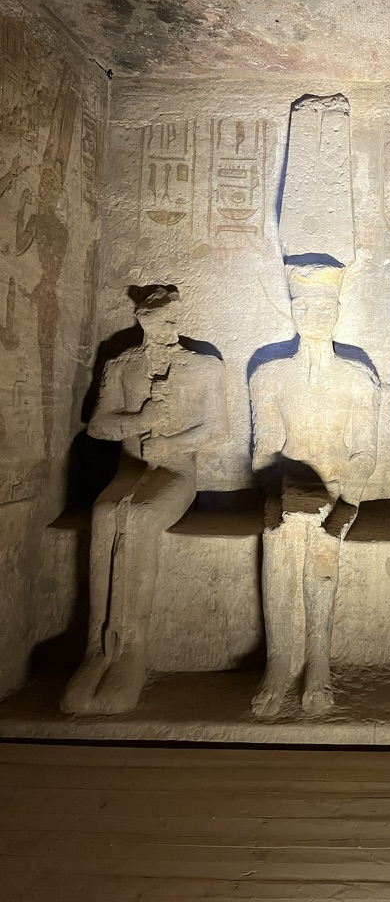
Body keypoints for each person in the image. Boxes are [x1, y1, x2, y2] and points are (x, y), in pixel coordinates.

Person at [61, 286, 229, 714]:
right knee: (104, 514)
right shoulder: (122, 365)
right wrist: (139, 420)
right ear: (142, 320)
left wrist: (171, 444)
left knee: (138, 519)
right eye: (157, 320)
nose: (167, 327)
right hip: (130, 470)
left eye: (172, 319)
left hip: (176, 472)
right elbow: (98, 426)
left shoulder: (203, 367)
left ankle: (129, 648)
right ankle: (97, 649)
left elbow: (217, 430)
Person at [249, 264, 380, 717]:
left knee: (322, 543)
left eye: (324, 306)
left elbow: (364, 453)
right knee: (283, 538)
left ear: (338, 310)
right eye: (303, 306)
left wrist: (345, 498)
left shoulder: (357, 376)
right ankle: (279, 662)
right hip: (289, 491)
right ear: (291, 310)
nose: (314, 315)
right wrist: (280, 496)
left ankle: (319, 664)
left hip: (339, 490)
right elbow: (265, 452)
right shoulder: (269, 375)